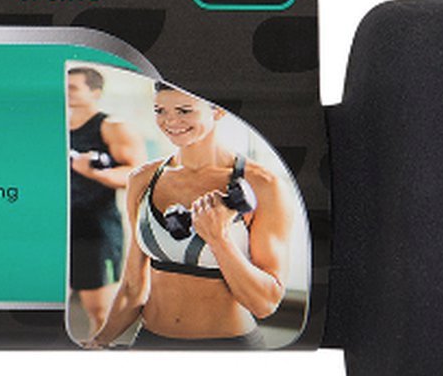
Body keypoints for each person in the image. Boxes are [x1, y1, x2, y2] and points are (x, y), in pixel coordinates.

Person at [87, 82, 291, 349]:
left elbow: (265, 303)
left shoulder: (264, 185)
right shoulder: (142, 179)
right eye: (160, 110)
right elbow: (132, 288)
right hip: (150, 342)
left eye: (184, 110)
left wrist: (219, 239)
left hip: (228, 348)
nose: (170, 121)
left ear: (219, 111)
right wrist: (99, 340)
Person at [68, 67, 146, 337]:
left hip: (95, 228)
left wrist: (93, 172)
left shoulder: (112, 127)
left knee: (99, 311)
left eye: (73, 88)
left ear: (95, 92)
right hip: (57, 225)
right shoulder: (54, 127)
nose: (65, 92)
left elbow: (136, 175)